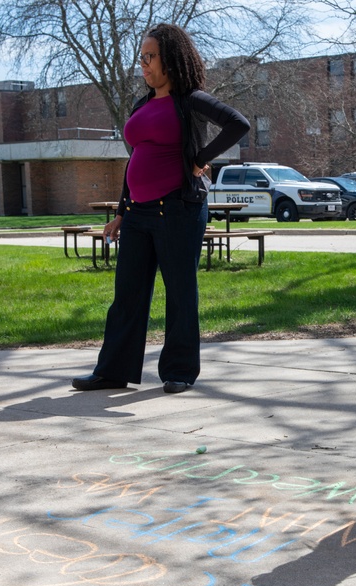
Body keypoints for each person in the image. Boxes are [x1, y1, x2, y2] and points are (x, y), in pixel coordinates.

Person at [73, 24, 249, 395]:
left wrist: (199, 159)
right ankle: (113, 371)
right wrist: (121, 212)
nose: (143, 64)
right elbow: (135, 159)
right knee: (128, 294)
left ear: (170, 59)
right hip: (137, 213)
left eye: (149, 57)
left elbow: (238, 124)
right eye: (141, 57)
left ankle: (179, 371)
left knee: (180, 291)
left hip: (178, 209)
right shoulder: (142, 104)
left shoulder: (190, 99)